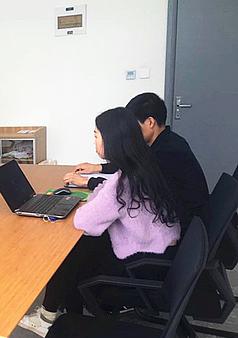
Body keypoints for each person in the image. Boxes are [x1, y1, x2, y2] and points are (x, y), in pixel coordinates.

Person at [19, 107, 181, 337]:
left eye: (96, 135)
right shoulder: (142, 164)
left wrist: (91, 202)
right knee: (83, 246)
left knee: (70, 251)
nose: (94, 142)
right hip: (162, 250)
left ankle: (50, 318)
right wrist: (97, 198)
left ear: (111, 140)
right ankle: (57, 313)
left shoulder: (123, 183)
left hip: (144, 264)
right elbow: (103, 192)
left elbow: (84, 221)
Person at [63, 92, 209, 234]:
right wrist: (98, 167)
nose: (130, 131)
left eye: (133, 125)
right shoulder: (166, 141)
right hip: (176, 219)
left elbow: (125, 190)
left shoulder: (165, 153)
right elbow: (131, 166)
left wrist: (86, 182)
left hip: (181, 226)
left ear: (150, 122)